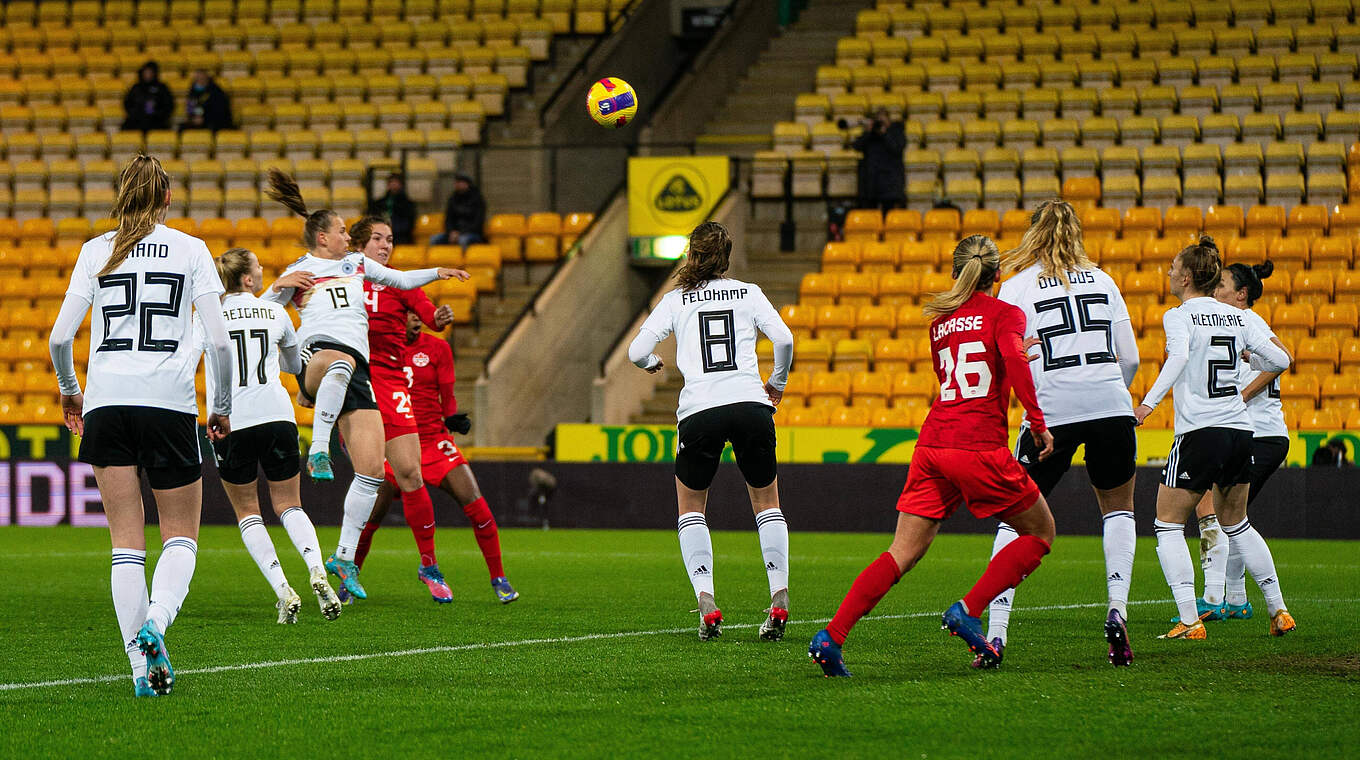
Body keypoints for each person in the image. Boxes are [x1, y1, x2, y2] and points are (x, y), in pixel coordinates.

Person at [809, 235, 1056, 677]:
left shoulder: (939, 323)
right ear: (998, 274)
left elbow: (967, 366)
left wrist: (1014, 352)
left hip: (932, 445)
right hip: (977, 445)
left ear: (955, 273)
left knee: (901, 551)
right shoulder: (1007, 313)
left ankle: (832, 636)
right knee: (1040, 532)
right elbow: (1009, 365)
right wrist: (1037, 422)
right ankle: (969, 609)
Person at [48, 154, 234, 697]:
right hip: (169, 405)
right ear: (168, 199)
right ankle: (157, 622)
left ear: (121, 194)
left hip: (107, 405)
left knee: (126, 547)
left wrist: (70, 391)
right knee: (181, 539)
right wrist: (219, 405)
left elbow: (61, 338)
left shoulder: (94, 250)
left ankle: (140, 670)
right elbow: (219, 341)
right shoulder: (192, 249)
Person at [261, 169, 469, 601]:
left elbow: (403, 279)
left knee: (373, 473)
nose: (346, 235)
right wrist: (276, 287)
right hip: (316, 358)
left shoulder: (356, 265)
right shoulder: (300, 269)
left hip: (359, 374)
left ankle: (343, 557)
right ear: (322, 238)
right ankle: (318, 447)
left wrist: (439, 271)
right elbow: (263, 314)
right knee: (338, 363)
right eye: (340, 230)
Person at [983, 200, 1141, 667]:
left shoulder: (1015, 288)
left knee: (1015, 518)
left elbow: (1003, 357)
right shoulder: (1105, 280)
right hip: (1111, 403)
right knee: (1118, 509)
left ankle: (995, 633)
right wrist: (1107, 396)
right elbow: (1129, 358)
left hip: (1051, 411)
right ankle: (1117, 610)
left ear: (1033, 235)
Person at [627, 221, 795, 641]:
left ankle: (706, 601)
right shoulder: (749, 292)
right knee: (766, 504)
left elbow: (635, 352)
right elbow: (784, 339)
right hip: (750, 404)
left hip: (700, 411)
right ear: (727, 256)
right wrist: (777, 383)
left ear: (692, 254)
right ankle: (779, 593)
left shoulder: (675, 299)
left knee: (692, 509)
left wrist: (652, 365)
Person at [1133, 237, 1292, 640]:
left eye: (1173, 267)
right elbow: (1282, 360)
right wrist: (1249, 358)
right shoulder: (1237, 318)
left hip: (1200, 431)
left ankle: (1189, 621)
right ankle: (1279, 610)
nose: (1169, 273)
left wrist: (1148, 404)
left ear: (1187, 277)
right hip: (1241, 431)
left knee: (1167, 523)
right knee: (1237, 522)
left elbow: (1180, 357)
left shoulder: (1179, 315)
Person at [203, 248, 342, 623]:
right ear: (247, 279)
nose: (264, 271)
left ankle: (283, 589)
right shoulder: (277, 312)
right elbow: (296, 365)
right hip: (279, 417)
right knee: (289, 505)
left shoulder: (209, 317)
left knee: (249, 513)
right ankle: (316, 569)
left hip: (233, 420)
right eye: (258, 268)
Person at [352, 310, 519, 605]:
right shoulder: (375, 349)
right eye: (409, 314)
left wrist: (452, 418)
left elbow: (448, 395)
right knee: (369, 517)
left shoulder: (438, 348)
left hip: (432, 441)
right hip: (394, 443)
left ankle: (499, 578)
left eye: (420, 314)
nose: (416, 319)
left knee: (476, 504)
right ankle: (350, 578)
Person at [346, 215, 468, 604]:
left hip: (392, 385)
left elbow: (430, 317)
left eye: (390, 240)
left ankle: (428, 564)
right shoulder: (343, 277)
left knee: (410, 474)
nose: (385, 245)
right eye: (378, 239)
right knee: (370, 480)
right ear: (360, 245)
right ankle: (348, 563)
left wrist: (440, 318)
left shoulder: (401, 281)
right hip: (355, 384)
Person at [850, 109, 906, 214]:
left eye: (882, 121)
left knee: (889, 216)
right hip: (871, 183)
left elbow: (897, 148)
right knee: (870, 217)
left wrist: (884, 133)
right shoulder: (871, 134)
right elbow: (857, 146)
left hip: (890, 183)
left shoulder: (896, 131)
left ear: (889, 121)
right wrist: (868, 131)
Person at [429, 174, 485, 247]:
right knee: (434, 239)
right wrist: (451, 232)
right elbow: (448, 219)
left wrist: (460, 233)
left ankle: (464, 258)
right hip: (453, 233)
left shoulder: (477, 200)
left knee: (463, 240)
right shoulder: (452, 199)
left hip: (472, 233)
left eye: (460, 182)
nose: (457, 185)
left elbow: (478, 222)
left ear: (467, 184)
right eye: (457, 182)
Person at [121, 61, 175, 132]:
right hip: (137, 121)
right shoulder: (136, 88)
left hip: (156, 121)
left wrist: (157, 114)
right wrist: (137, 113)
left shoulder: (162, 88)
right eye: (146, 72)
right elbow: (127, 104)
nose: (147, 75)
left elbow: (168, 105)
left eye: (150, 72)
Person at [368, 174, 417, 245]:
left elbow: (409, 223)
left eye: (396, 182)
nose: (394, 185)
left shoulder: (407, 204)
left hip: (400, 236)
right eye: (391, 182)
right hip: (382, 233)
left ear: (401, 185)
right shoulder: (379, 203)